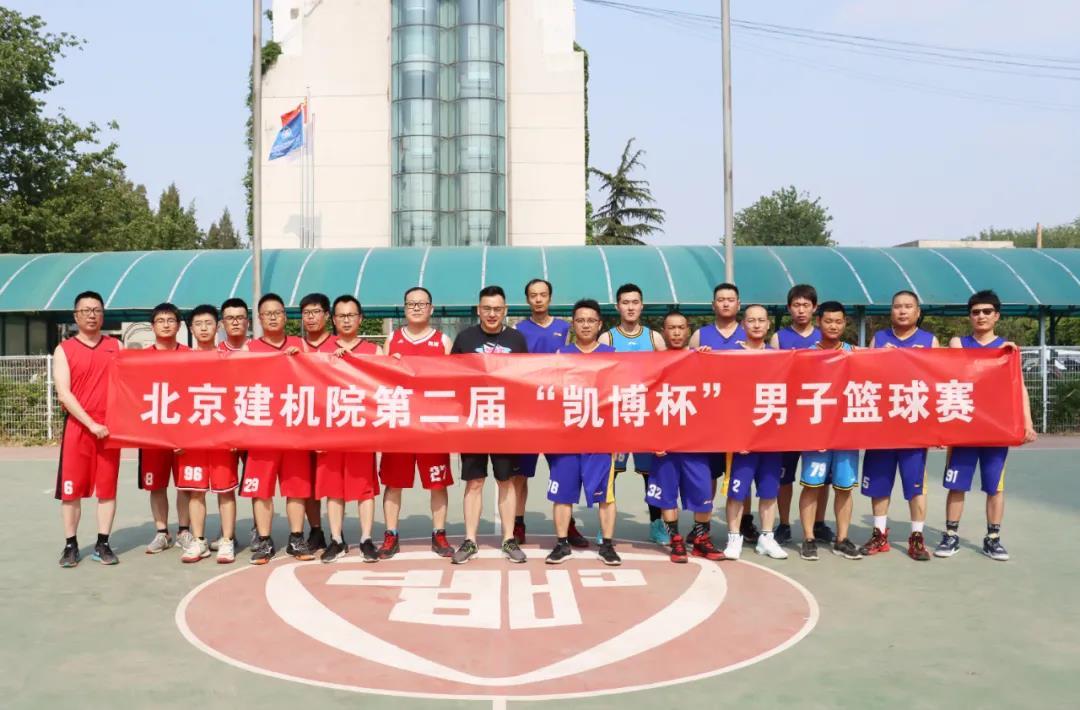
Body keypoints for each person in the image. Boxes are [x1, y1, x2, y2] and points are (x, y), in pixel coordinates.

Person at [935, 290, 1037, 561]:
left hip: (995, 430)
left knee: (995, 486)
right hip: (964, 429)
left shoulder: (1008, 350)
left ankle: (993, 539)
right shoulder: (959, 343)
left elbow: (1019, 388)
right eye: (976, 312)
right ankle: (951, 535)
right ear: (970, 316)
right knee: (957, 485)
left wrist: (1027, 422)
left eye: (987, 311)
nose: (981, 316)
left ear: (997, 316)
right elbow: (951, 376)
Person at [451, 285, 530, 565]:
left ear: (505, 310)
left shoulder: (517, 340)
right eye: (487, 308)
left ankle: (509, 539)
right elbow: (449, 376)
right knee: (474, 482)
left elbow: (526, 379)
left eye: (497, 309)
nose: (492, 313)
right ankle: (470, 540)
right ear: (479, 310)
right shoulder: (465, 338)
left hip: (505, 423)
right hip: (473, 422)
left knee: (505, 481)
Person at [861, 290, 939, 561]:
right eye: (897, 306)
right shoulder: (879, 339)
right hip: (882, 427)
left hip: (914, 427)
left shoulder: (929, 341)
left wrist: (920, 361)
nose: (902, 311)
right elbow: (866, 376)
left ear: (918, 311)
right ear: (891, 311)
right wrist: (879, 358)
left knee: (915, 486)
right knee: (879, 483)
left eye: (908, 306)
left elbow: (939, 380)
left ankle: (916, 537)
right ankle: (879, 534)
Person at [379, 286, 454, 560]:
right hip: (399, 423)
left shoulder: (443, 341)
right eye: (411, 304)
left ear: (431, 309)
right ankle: (391, 534)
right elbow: (380, 380)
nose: (416, 308)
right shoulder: (392, 340)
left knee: (437, 483)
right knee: (393, 483)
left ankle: (439, 533)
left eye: (422, 304)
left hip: (431, 426)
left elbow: (453, 381)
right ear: (404, 308)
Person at [545, 299, 621, 566]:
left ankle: (607, 545)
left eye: (591, 320)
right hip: (567, 439)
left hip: (600, 439)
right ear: (573, 325)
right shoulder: (561, 355)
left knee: (606, 496)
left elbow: (619, 396)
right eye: (580, 320)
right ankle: (561, 544)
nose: (585, 325)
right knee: (562, 494)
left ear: (599, 324)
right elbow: (552, 395)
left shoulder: (612, 355)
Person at [514, 278, 588, 547]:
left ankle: (568, 525)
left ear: (550, 297)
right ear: (527, 299)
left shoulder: (566, 328)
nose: (538, 299)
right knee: (520, 475)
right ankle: (518, 524)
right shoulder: (518, 330)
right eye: (533, 295)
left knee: (563, 470)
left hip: (559, 413)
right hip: (529, 414)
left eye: (543, 294)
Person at [647, 310, 724, 563]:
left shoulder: (701, 358)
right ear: (664, 331)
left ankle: (701, 540)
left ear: (688, 330)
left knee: (703, 494)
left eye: (681, 327)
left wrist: (708, 359)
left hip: (695, 443)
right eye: (671, 328)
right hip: (666, 443)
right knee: (667, 495)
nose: (677, 332)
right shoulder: (653, 362)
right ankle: (676, 541)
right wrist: (653, 439)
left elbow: (718, 390)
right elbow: (646, 402)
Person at [54, 291, 122, 567]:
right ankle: (70, 545)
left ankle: (103, 544)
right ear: (76, 316)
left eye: (96, 310)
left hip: (109, 431)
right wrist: (91, 423)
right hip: (79, 429)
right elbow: (64, 393)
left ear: (103, 315)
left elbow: (132, 383)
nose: (91, 315)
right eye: (85, 310)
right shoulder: (64, 349)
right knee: (71, 491)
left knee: (107, 490)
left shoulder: (117, 346)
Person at [690, 282, 760, 544]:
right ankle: (702, 524)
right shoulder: (700, 335)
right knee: (707, 474)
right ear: (713, 305)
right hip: (711, 419)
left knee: (743, 473)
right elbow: (687, 370)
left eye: (731, 299)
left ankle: (745, 522)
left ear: (738, 304)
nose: (726, 303)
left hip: (744, 418)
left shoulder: (750, 332)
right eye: (721, 299)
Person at [599, 283, 669, 545]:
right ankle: (606, 527)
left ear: (642, 305)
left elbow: (669, 373)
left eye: (635, 302)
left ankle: (656, 524)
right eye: (625, 302)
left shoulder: (654, 339)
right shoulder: (606, 339)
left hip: (646, 417)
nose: (630, 307)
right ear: (618, 306)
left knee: (651, 475)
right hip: (616, 417)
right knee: (611, 474)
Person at [242, 293, 308, 565]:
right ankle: (265, 541)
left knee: (296, 488)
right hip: (262, 433)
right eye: (267, 313)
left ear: (285, 316)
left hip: (294, 430)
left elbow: (316, 378)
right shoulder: (249, 349)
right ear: (259, 318)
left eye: (277, 312)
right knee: (261, 489)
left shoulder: (300, 345)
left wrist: (300, 359)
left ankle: (297, 538)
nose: (272, 317)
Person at [318, 295, 384, 563]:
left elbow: (385, 382)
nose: (346, 320)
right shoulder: (321, 352)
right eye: (341, 316)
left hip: (362, 430)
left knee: (364, 487)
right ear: (333, 320)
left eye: (351, 315)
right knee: (334, 488)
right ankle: (336, 539)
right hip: (332, 431)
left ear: (360, 318)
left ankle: (366, 538)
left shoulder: (374, 351)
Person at [796, 302, 864, 562]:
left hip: (846, 433)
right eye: (828, 321)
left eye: (838, 321)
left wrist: (892, 354)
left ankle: (842, 539)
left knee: (844, 488)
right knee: (811, 486)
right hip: (816, 434)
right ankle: (809, 538)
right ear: (819, 323)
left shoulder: (855, 353)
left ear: (844, 323)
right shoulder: (806, 355)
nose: (833, 326)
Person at [719, 304, 787, 560]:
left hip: (771, 437)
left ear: (768, 325)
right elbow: (723, 396)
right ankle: (734, 537)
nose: (757, 325)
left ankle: (766, 537)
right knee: (737, 492)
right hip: (741, 439)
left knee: (769, 491)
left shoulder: (780, 357)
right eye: (751, 320)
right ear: (743, 324)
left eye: (761, 320)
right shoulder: (730, 355)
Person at [769, 284, 833, 546]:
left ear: (814, 308)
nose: (801, 310)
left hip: (818, 417)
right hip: (788, 419)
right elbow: (772, 375)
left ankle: (819, 523)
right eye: (796, 305)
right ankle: (784, 524)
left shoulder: (825, 337)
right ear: (789, 308)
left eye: (806, 305)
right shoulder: (778, 338)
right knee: (784, 476)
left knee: (820, 477)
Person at [177, 304, 240, 563]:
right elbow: (175, 399)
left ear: (218, 326)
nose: (204, 328)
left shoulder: (229, 359)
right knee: (195, 491)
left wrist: (236, 435)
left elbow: (237, 397)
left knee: (225, 490)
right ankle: (199, 540)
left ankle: (227, 540)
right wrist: (175, 437)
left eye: (209, 323)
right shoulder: (182, 361)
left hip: (222, 436)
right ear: (191, 328)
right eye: (198, 324)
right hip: (192, 437)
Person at [139, 302, 193, 555]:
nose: (166, 324)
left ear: (179, 325)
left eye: (171, 320)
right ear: (153, 326)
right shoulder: (140, 359)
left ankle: (184, 530)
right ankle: (162, 532)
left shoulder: (190, 356)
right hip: (152, 434)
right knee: (156, 485)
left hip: (184, 432)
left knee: (185, 484)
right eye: (160, 320)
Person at [298, 292, 335, 555]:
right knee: (308, 483)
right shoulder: (294, 346)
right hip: (302, 425)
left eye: (316, 312)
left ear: (327, 315)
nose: (311, 318)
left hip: (333, 424)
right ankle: (316, 530)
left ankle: (337, 532)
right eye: (306, 313)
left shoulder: (338, 345)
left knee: (332, 482)